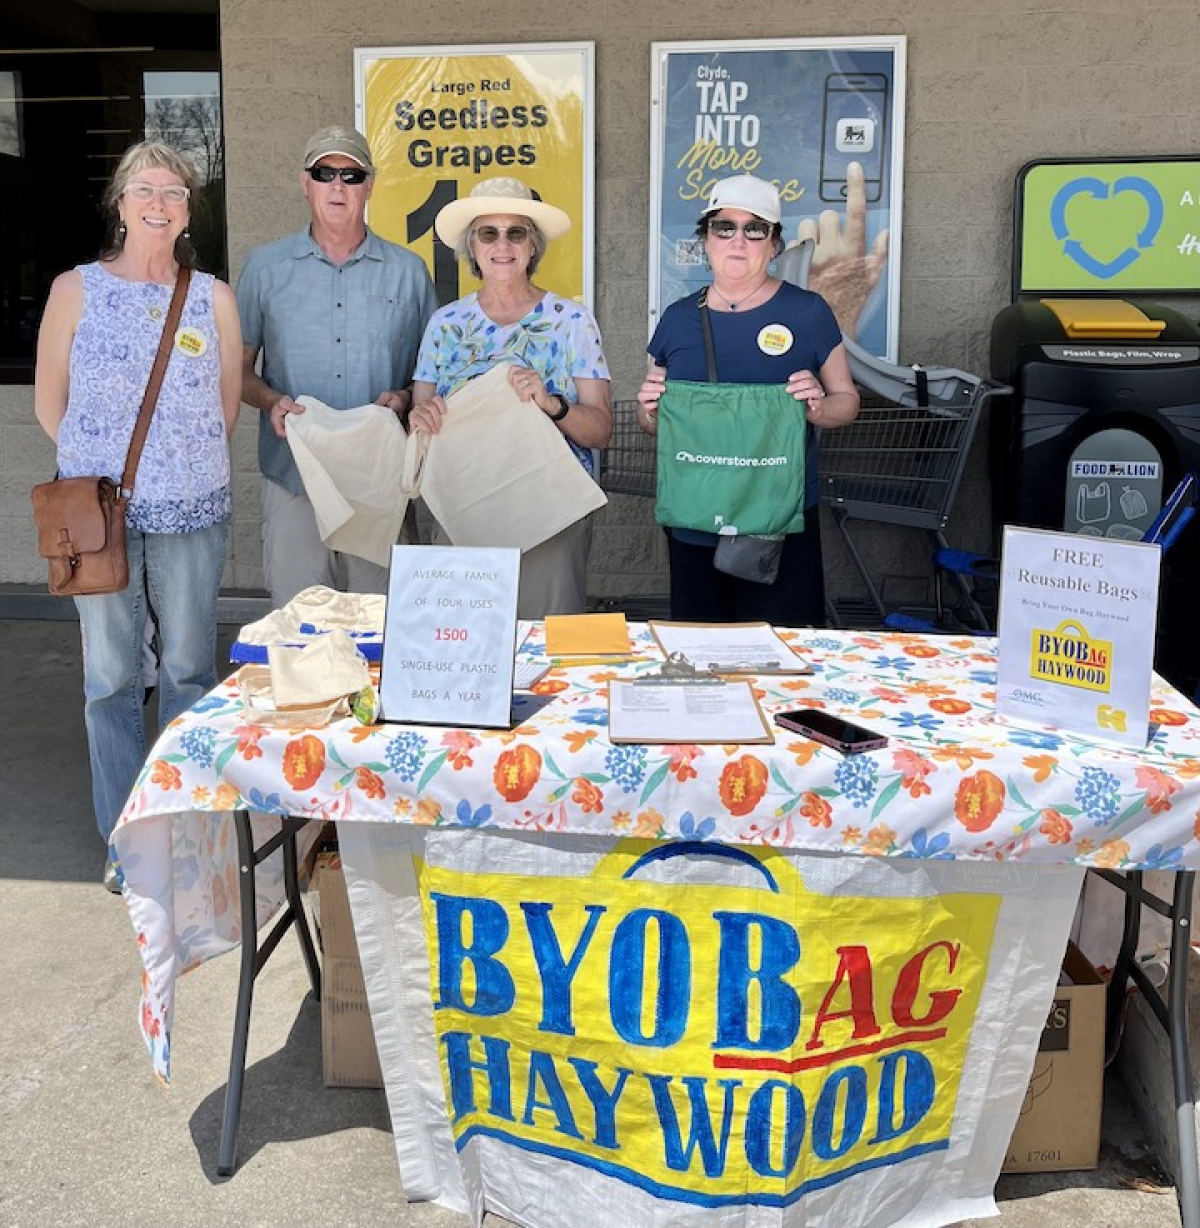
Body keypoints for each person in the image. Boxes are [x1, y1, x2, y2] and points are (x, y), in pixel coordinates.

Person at [34, 140, 241, 890]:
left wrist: (174, 466)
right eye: (145, 188)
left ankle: (187, 836)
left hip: (193, 510)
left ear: (189, 210)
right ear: (120, 203)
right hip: (100, 519)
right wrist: (103, 479)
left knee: (188, 670)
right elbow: (48, 399)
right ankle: (129, 841)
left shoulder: (212, 296)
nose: (160, 202)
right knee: (111, 680)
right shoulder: (75, 289)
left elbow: (223, 405)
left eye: (176, 192)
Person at [637, 173, 859, 626]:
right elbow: (654, 421)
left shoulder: (808, 312)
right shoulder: (678, 320)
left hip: (777, 521)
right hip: (695, 517)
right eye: (724, 226)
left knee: (782, 654)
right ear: (706, 239)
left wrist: (817, 405)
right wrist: (649, 409)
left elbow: (847, 402)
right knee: (701, 653)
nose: (738, 239)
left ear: (774, 244)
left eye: (755, 228)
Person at [236, 125, 438, 606]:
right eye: (324, 173)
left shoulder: (409, 272)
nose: (338, 186)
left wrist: (407, 398)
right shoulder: (264, 269)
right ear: (304, 183)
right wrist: (270, 401)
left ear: (370, 185)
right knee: (301, 631)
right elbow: (237, 371)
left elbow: (431, 375)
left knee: (381, 627)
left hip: (380, 481)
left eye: (352, 175)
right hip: (296, 476)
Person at [407, 177, 613, 618]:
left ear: (533, 245)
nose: (502, 244)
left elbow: (599, 431)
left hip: (552, 512)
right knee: (468, 649)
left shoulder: (572, 321)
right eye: (488, 233)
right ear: (472, 246)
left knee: (549, 646)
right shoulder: (445, 325)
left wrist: (552, 403)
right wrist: (419, 418)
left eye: (515, 232)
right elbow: (418, 424)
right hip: (466, 508)